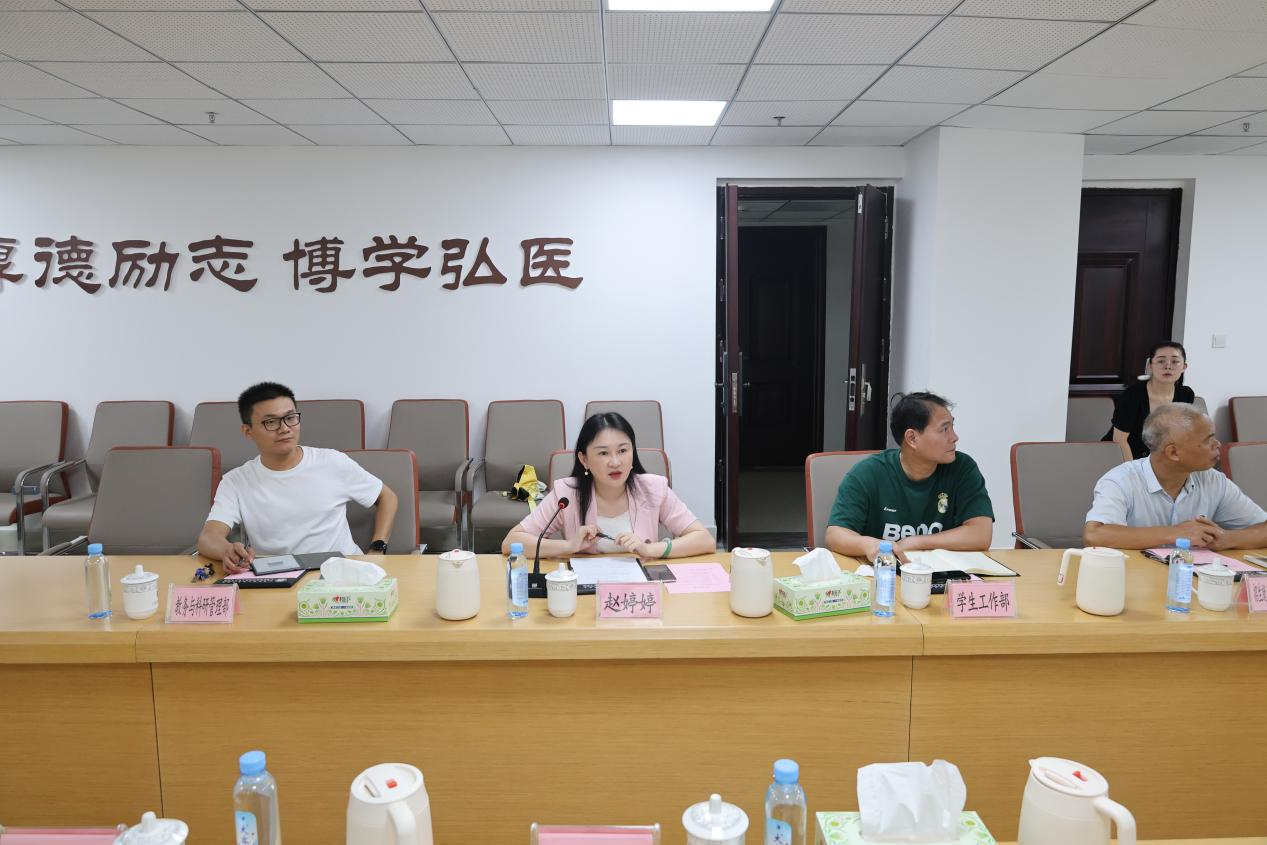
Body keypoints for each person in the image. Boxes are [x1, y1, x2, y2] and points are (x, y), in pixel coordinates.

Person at [196, 382, 398, 573]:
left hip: (340, 572)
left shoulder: (332, 462)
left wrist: (377, 548)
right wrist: (226, 550)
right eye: (271, 422)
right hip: (277, 574)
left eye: (290, 418)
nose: (285, 428)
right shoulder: (236, 481)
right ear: (248, 431)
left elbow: (387, 497)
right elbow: (209, 537)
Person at [502, 412, 715, 559]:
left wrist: (650, 550)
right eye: (603, 453)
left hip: (641, 591)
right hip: (587, 593)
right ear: (584, 459)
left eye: (623, 450)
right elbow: (510, 542)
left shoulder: (653, 488)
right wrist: (568, 546)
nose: (615, 462)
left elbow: (705, 540)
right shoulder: (567, 493)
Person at [825, 392, 994, 562]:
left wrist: (915, 542)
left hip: (941, 574)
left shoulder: (963, 468)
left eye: (952, 427)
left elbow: (981, 534)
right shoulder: (868, 473)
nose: (954, 437)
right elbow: (835, 534)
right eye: (944, 429)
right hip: (884, 573)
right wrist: (869, 545)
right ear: (912, 438)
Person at [1084, 403, 1267, 550]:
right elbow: (1094, 535)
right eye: (1208, 440)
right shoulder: (1120, 481)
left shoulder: (1213, 480)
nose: (1217, 444)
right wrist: (1175, 533)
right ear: (1173, 453)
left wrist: (1225, 538)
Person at [1104, 341, 1196, 461]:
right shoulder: (1133, 394)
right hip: (1120, 458)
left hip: (1159, 460)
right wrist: (1136, 470)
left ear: (1184, 367)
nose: (1168, 366)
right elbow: (1119, 439)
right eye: (1161, 361)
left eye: (1175, 361)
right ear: (1150, 365)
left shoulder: (1186, 394)